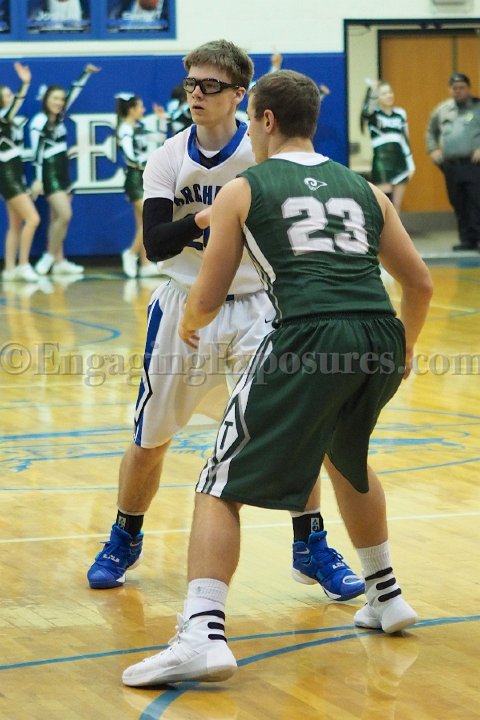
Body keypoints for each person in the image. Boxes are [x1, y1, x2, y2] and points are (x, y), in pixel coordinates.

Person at [122, 69, 433, 688]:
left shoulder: (244, 188)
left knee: (217, 483)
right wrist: (405, 346)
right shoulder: (366, 189)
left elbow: (208, 292)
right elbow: (419, 282)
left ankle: (201, 632)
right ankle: (387, 595)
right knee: (347, 458)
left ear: (265, 119)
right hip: (377, 334)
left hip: (308, 335)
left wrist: (193, 322)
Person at [87, 40, 364, 605]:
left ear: (240, 94)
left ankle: (310, 544)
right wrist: (210, 216)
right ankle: (125, 535)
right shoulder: (169, 156)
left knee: (294, 427)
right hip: (186, 304)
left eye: (210, 85)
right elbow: (156, 244)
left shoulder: (261, 154)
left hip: (260, 305)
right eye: (191, 82)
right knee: (151, 437)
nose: (196, 93)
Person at [29, 63, 101, 276]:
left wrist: (86, 74)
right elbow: (36, 152)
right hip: (49, 172)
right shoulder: (39, 121)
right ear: (46, 100)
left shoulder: (59, 117)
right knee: (65, 214)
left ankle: (59, 262)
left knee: (56, 218)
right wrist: (38, 179)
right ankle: (49, 256)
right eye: (54, 99)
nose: (59, 102)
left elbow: (73, 93)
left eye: (61, 99)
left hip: (63, 169)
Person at [426, 72, 480, 251]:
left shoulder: (477, 108)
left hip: (474, 165)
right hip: (450, 165)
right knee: (458, 201)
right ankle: (467, 240)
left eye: (462, 87)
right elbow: (431, 131)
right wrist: (433, 149)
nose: (458, 91)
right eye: (454, 88)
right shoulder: (442, 110)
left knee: (476, 200)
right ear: (450, 90)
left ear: (469, 88)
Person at [115, 92, 166, 278]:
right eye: (140, 107)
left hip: (144, 177)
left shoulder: (138, 127)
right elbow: (130, 156)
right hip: (135, 179)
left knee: (142, 222)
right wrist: (144, 163)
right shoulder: (125, 129)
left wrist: (161, 121)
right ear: (131, 109)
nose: (143, 110)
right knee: (149, 220)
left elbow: (158, 144)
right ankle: (130, 254)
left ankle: (145, 263)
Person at [0, 62, 41, 282]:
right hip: (7, 175)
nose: (10, 97)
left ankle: (9, 269)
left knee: (15, 224)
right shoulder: (3, 117)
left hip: (14, 173)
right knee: (33, 219)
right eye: (7, 95)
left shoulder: (7, 120)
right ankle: (23, 264)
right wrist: (25, 84)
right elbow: (17, 103)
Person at [361, 79, 414, 213]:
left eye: (390, 92)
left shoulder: (400, 113)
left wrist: (411, 164)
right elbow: (366, 110)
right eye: (384, 93)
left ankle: (395, 228)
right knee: (384, 205)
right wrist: (373, 90)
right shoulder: (374, 114)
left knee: (396, 206)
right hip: (382, 162)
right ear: (378, 97)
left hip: (400, 161)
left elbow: (405, 139)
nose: (388, 95)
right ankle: (383, 228)